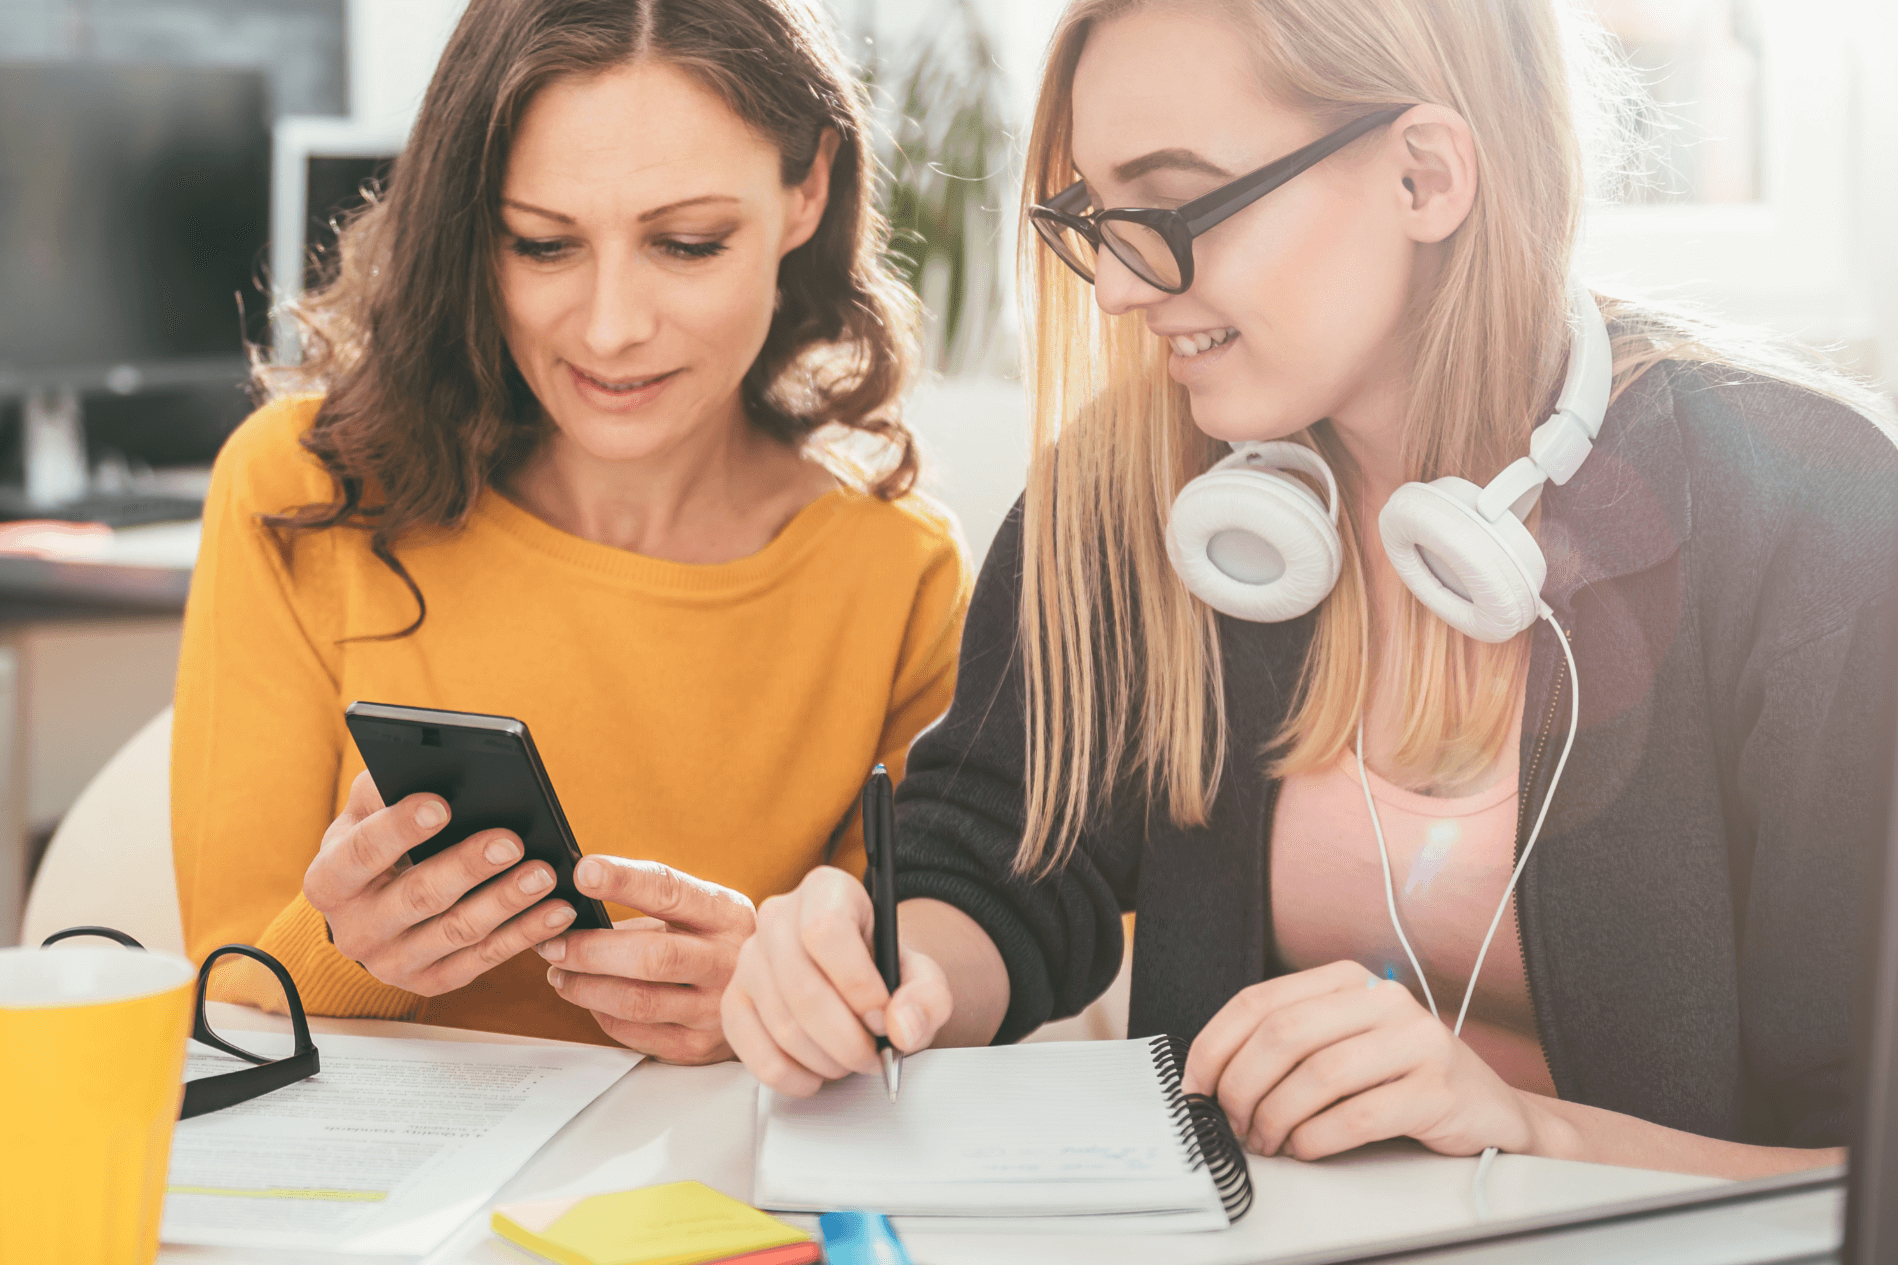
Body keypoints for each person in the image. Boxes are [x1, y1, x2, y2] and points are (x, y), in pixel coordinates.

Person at [723, 0, 1898, 1176]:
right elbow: (1000, 857)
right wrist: (881, 966)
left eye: (1173, 203)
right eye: (1096, 213)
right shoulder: (1138, 491)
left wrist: (1531, 1131)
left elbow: (1864, 1166)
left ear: (1425, 177)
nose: (1120, 289)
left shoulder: (1808, 519)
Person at [169, 0, 973, 1059]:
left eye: (687, 243)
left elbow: (909, 996)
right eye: (542, 245)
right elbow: (228, 991)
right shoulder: (297, 488)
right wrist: (349, 949)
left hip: (712, 1208)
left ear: (807, 190)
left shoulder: (899, 576)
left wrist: (778, 1003)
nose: (609, 327)